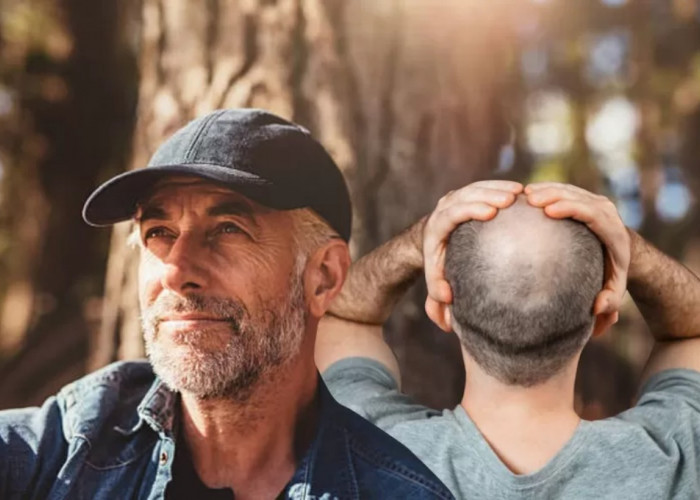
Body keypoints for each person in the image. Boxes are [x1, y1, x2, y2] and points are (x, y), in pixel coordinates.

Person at [0, 109, 454, 500]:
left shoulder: (397, 491)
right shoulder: (70, 445)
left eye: (228, 229)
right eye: (159, 233)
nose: (177, 271)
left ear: (323, 277)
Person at [317, 180, 700, 498]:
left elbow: (337, 313)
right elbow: (692, 330)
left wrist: (421, 239)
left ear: (442, 312)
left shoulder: (368, 453)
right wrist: (629, 248)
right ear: (603, 318)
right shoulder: (673, 459)